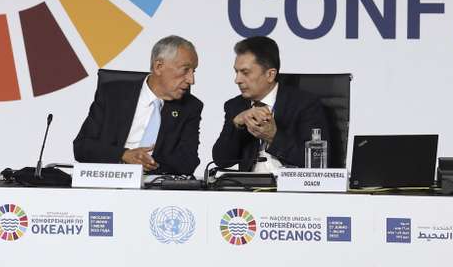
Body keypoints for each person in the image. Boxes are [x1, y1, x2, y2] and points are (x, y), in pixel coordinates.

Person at [73, 35, 202, 175]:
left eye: (193, 71)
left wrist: (147, 165)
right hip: (108, 181)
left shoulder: (190, 107)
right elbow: (82, 147)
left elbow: (188, 162)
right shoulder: (112, 94)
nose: (191, 80)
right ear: (158, 66)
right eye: (185, 70)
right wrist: (124, 155)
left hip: (155, 189)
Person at [212, 36, 329, 171]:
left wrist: (273, 136)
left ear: (270, 75)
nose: (237, 80)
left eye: (245, 72)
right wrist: (236, 125)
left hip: (291, 189)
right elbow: (221, 160)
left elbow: (318, 163)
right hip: (248, 188)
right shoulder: (235, 105)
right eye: (236, 72)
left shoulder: (305, 104)